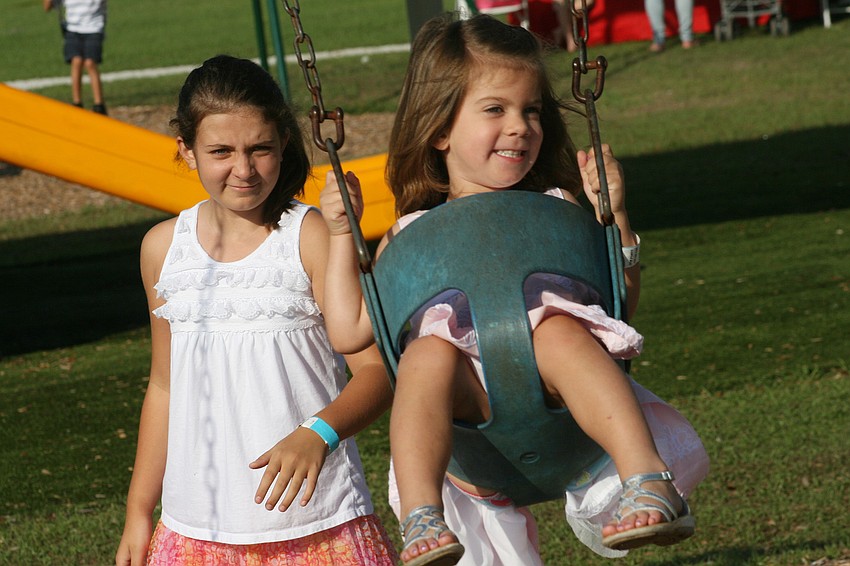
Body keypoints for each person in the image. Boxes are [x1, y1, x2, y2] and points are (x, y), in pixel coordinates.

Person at [320, 13, 708, 566]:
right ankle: (422, 513)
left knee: (555, 329)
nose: (520, 126)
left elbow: (622, 298)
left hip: (555, 389)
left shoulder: (557, 208)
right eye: (495, 110)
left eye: (531, 111)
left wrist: (615, 215)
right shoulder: (411, 236)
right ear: (440, 129)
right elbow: (349, 328)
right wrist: (342, 236)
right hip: (471, 417)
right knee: (428, 353)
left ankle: (647, 478)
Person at [115, 55, 398, 566]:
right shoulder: (163, 249)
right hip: (197, 532)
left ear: (283, 143)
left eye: (260, 149)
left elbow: (377, 372)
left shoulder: (309, 236)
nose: (243, 169)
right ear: (187, 150)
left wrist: (319, 433)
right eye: (221, 151)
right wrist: (139, 510)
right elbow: (163, 386)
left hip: (317, 527)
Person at [42, 0, 108, 114]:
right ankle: (77, 102)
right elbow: (47, 7)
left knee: (90, 63)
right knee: (76, 61)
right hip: (73, 29)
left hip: (94, 27)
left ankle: (99, 104)